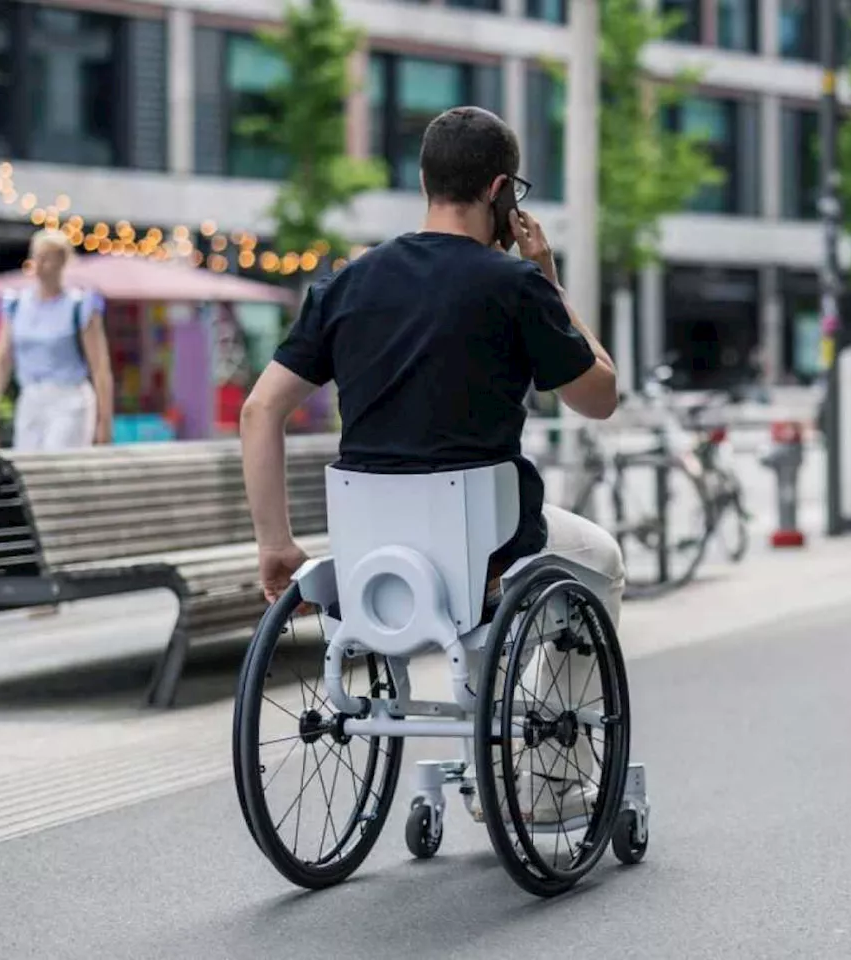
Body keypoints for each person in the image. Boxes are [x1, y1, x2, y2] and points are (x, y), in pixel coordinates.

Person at [240, 105, 623, 824]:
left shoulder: (348, 285)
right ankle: (541, 777)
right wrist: (549, 277)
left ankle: (492, 740)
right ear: (502, 191)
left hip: (372, 559)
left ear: (423, 179)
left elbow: (260, 411)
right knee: (599, 558)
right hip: (486, 555)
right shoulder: (514, 288)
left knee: (488, 558)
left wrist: (276, 543)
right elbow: (600, 397)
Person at [0, 229, 114, 450]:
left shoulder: (80, 305)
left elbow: (100, 366)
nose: (39, 265)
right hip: (31, 397)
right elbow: (1, 359)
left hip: (69, 398)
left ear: (62, 261)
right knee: (27, 468)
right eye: (36, 257)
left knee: (57, 461)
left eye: (47, 258)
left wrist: (105, 421)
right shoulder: (16, 304)